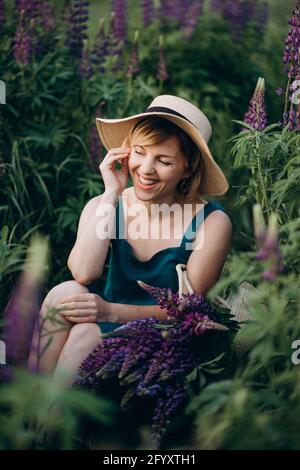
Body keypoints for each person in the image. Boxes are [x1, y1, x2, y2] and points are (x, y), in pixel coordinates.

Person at [28, 95, 232, 385]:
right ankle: (31, 409)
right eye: (139, 152)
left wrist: (111, 311)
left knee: (85, 333)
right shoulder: (108, 204)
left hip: (160, 337)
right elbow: (84, 272)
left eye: (163, 160)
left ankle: (47, 425)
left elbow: (188, 311)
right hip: (103, 319)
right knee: (65, 292)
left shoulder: (211, 222)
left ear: (188, 166)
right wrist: (111, 194)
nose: (146, 169)